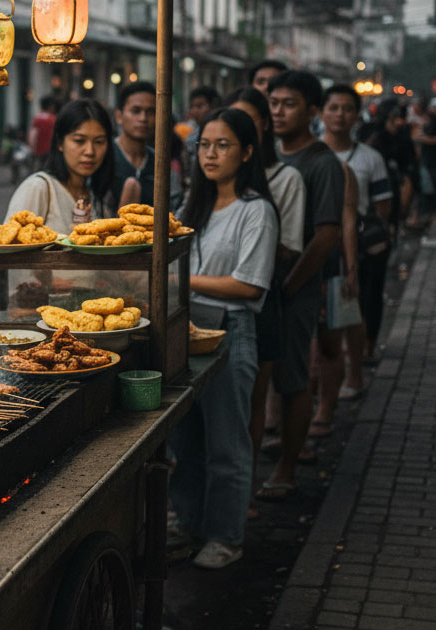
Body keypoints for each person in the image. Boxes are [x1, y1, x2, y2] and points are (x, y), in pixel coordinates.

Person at [170, 107, 279, 569]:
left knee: (227, 445)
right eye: (204, 146)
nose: (210, 155)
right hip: (187, 332)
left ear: (247, 152)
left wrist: (183, 279)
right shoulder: (193, 206)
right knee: (186, 442)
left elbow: (249, 285)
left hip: (231, 332)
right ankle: (189, 523)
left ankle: (226, 537)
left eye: (222, 145)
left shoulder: (255, 211)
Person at [257, 70, 344, 502]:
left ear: (312, 111)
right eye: (273, 102)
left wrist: (290, 287)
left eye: (288, 104)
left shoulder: (322, 163)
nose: (277, 111)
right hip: (263, 285)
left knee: (293, 379)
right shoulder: (268, 155)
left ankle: (288, 470)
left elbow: (326, 236)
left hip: (296, 289)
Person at [225, 86, 305, 518]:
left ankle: (243, 490)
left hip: (262, 303)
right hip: (214, 312)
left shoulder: (280, 181)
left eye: (245, 122)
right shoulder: (212, 184)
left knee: (252, 404)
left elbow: (286, 250)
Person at [320, 85, 393, 409]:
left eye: (347, 108)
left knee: (351, 310)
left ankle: (355, 375)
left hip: (359, 245)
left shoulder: (369, 158)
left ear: (357, 114)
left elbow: (383, 206)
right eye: (333, 107)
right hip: (319, 246)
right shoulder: (310, 153)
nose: (340, 114)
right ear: (321, 112)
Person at [8, 99, 114, 232]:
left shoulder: (96, 197)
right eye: (79, 141)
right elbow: (9, 243)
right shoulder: (38, 189)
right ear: (60, 142)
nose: (90, 151)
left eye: (99, 142)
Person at [359, 98, 418, 240]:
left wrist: (407, 187)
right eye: (393, 119)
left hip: (394, 187)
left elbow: (409, 165)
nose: (397, 123)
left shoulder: (402, 135)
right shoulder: (370, 131)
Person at [110, 82, 158, 212]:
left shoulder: (160, 163)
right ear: (119, 116)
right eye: (136, 111)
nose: (143, 118)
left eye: (150, 112)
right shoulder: (105, 156)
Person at [411, 96, 436, 226]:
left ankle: (432, 214)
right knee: (423, 188)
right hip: (424, 160)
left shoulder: (435, 120)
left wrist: (422, 139)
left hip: (433, 160)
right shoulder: (420, 121)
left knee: (433, 187)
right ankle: (422, 215)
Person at [185, 86, 221, 158]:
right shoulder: (191, 138)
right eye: (192, 107)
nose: (194, 111)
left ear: (213, 105)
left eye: (199, 106)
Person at [28, 96, 57, 167]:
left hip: (39, 151)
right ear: (51, 106)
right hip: (51, 151)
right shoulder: (53, 119)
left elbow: (32, 136)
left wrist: (32, 149)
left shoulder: (37, 118)